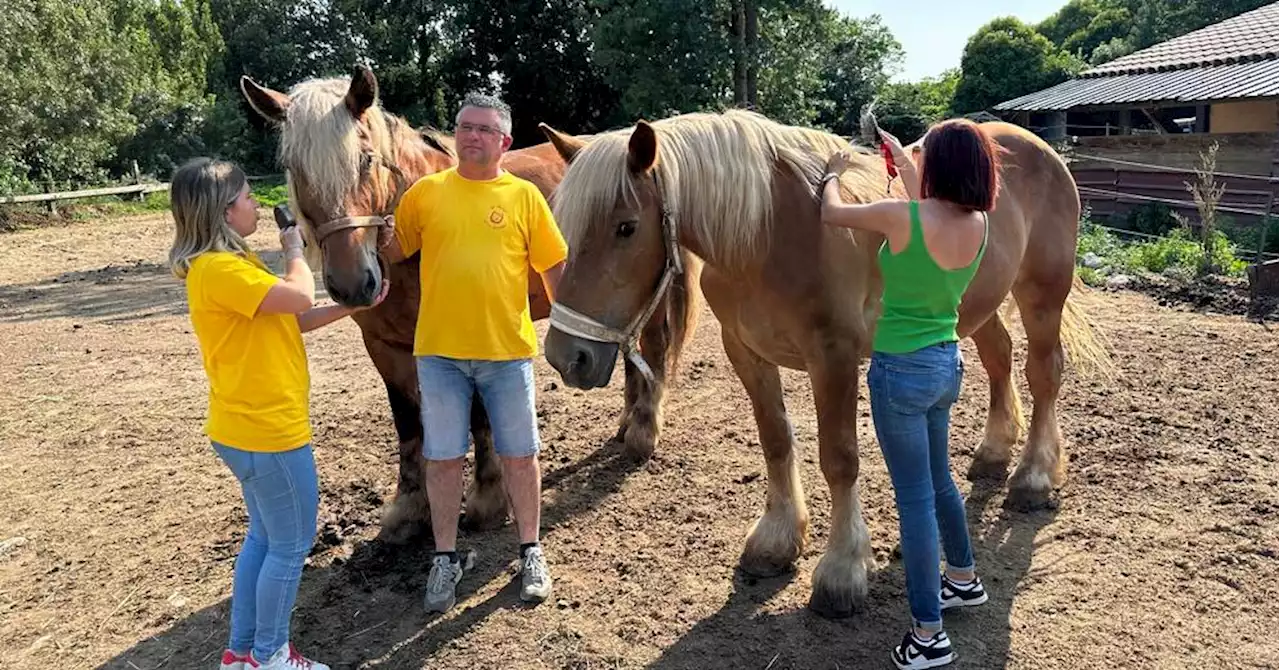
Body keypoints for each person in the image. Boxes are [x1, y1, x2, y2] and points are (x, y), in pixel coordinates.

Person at [167, 157, 388, 670]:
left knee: (264, 539)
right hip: (268, 432)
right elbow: (298, 292)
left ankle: (243, 654)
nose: (256, 207)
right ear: (224, 211)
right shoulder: (219, 270)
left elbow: (294, 316)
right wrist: (295, 251)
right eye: (247, 198)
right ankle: (272, 655)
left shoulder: (228, 267)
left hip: (245, 428)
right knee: (290, 547)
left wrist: (355, 306)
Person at [378, 92, 567, 613]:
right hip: (438, 356)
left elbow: (554, 269)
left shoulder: (525, 196)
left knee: (521, 456)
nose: (471, 136)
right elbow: (393, 252)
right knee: (442, 460)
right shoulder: (425, 194)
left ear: (504, 141)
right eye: (464, 126)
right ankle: (445, 557)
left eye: (484, 129)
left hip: (506, 352)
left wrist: (572, 328)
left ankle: (530, 547)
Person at [819, 119, 995, 670]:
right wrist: (902, 158)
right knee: (939, 480)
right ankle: (963, 579)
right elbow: (930, 209)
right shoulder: (980, 224)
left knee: (914, 499)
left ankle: (928, 636)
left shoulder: (901, 217)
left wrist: (832, 173)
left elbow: (832, 213)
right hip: (946, 363)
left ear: (941, 167)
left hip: (900, 372)